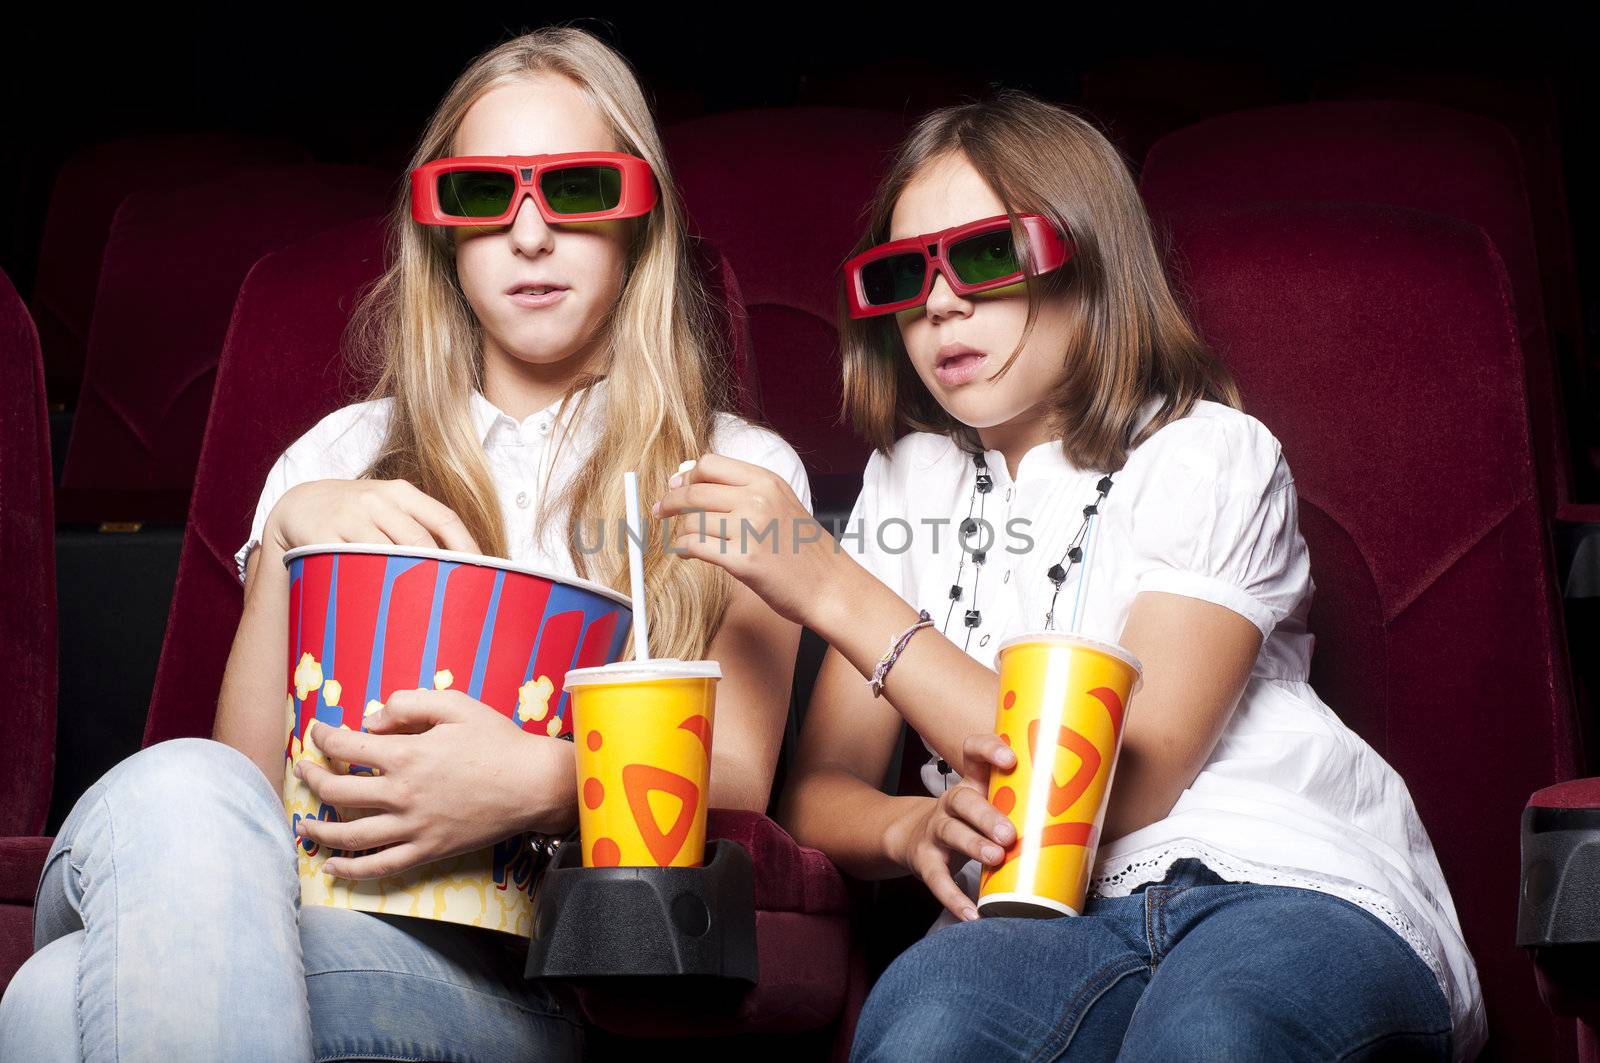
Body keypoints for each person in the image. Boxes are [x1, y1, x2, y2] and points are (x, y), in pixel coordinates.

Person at [0, 26, 808, 1062]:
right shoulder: (337, 455)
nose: (528, 234)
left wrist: (533, 777)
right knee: (176, 790)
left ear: (640, 214)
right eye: (481, 195)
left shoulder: (738, 471)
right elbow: (239, 800)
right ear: (441, 228)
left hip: (528, 974)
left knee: (51, 995)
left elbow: (737, 770)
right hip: (268, 899)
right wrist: (290, 540)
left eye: (574, 189)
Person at [650, 89, 1485, 1060]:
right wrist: (910, 826)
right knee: (924, 1033)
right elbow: (820, 790)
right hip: (1030, 919)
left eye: (987, 255)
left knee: (1212, 1034)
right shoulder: (909, 480)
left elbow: (1127, 784)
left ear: (1088, 263)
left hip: (1274, 880)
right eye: (901, 274)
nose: (939, 302)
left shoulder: (1210, 453)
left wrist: (830, 587)